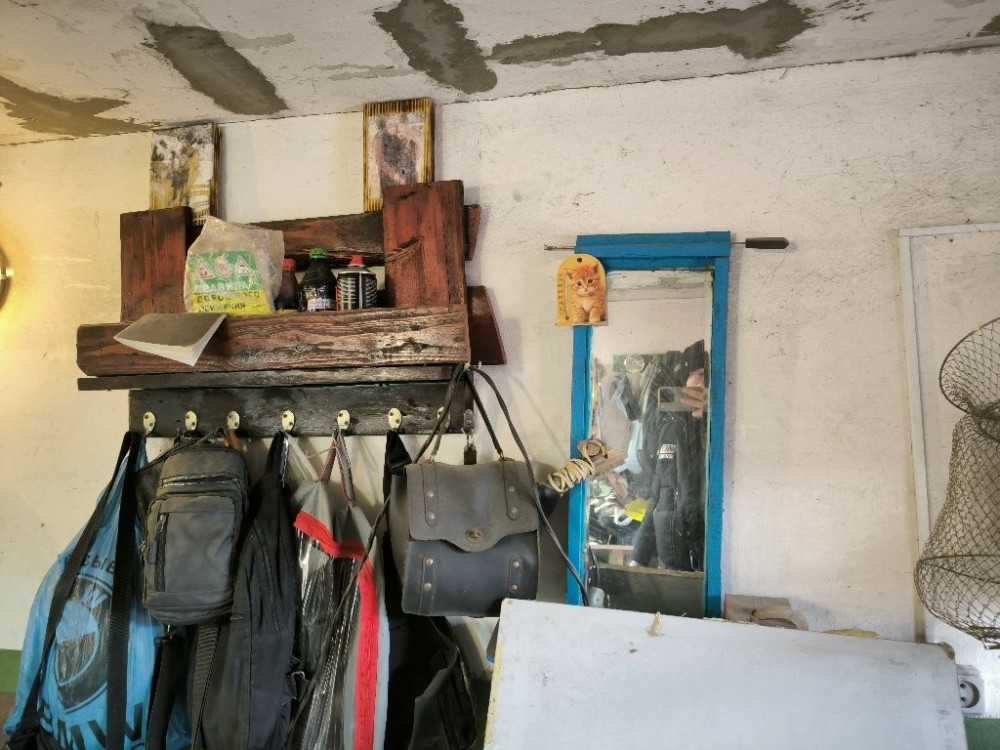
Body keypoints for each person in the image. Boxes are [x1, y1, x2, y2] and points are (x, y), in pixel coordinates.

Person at [628, 341, 707, 572]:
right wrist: (639, 556)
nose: (699, 381)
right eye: (694, 374)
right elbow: (658, 494)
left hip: (704, 557)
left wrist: (706, 418)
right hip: (672, 560)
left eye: (704, 375)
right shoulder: (669, 429)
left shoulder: (714, 431)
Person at [372, 115, 417, 192]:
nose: (393, 129)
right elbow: (380, 160)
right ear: (386, 127)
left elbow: (403, 159)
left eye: (394, 126)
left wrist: (402, 175)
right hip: (386, 174)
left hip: (400, 173)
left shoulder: (398, 137)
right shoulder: (380, 137)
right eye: (390, 126)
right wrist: (393, 174)